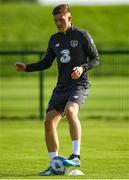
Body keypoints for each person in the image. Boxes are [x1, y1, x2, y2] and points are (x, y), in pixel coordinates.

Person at [15, 4, 100, 176]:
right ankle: (54, 165)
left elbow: (96, 59)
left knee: (70, 111)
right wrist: (26, 68)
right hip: (61, 87)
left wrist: (82, 68)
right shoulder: (54, 39)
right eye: (55, 20)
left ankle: (76, 156)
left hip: (79, 84)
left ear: (69, 18)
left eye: (61, 20)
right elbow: (46, 62)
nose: (58, 23)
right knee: (48, 122)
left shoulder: (82, 35)